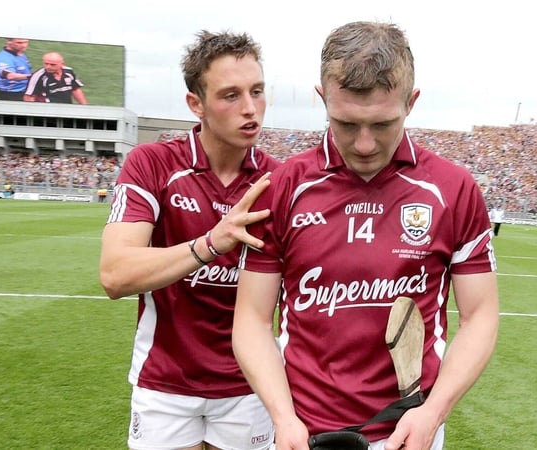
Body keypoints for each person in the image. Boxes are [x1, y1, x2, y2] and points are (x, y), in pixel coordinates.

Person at [233, 21, 500, 450]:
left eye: (382, 124)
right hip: (302, 432)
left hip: (409, 431)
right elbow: (251, 318)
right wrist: (282, 417)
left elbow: (480, 315)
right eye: (345, 123)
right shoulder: (284, 187)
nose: (363, 144)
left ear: (411, 103)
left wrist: (433, 413)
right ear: (322, 99)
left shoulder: (453, 189)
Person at [99, 30, 279, 450]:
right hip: (165, 381)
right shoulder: (153, 164)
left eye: (257, 91)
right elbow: (113, 274)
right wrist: (210, 244)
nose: (251, 108)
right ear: (195, 104)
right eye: (230, 95)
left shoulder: (280, 180)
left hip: (248, 384)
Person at [23, 52, 88, 104]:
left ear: (62, 64)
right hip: (48, 111)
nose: (48, 67)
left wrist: (84, 107)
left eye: (52, 64)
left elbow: (75, 89)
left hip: (67, 107)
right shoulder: (38, 76)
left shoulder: (69, 72)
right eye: (46, 64)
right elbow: (29, 96)